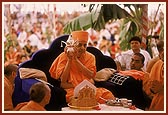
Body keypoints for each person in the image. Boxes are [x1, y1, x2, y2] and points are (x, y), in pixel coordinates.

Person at [49, 30, 115, 103]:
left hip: (88, 88)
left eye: (85, 45)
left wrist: (76, 60)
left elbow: (91, 75)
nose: (83, 48)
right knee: (77, 100)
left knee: (107, 95)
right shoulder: (63, 56)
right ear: (72, 45)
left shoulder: (91, 57)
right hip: (71, 88)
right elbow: (63, 81)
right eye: (79, 45)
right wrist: (70, 60)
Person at [143, 45, 164, 111]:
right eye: (161, 50)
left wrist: (163, 90)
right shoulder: (158, 64)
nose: (163, 53)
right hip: (156, 104)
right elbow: (150, 90)